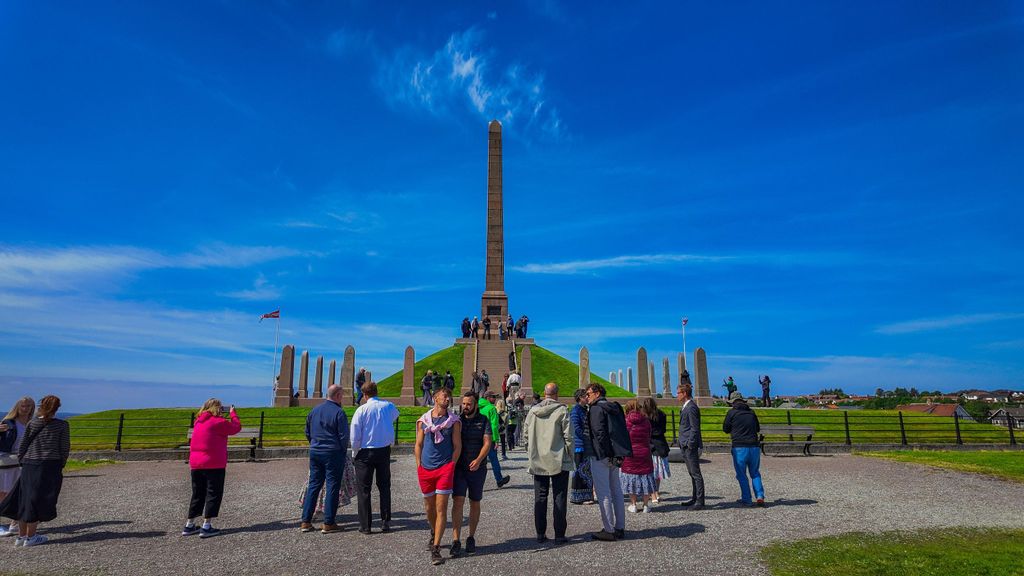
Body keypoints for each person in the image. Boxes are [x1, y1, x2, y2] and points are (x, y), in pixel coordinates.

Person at [0, 395, 70, 547]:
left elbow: (24, 444)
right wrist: (61, 464)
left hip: (29, 463)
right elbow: (64, 448)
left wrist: (22, 461)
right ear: (57, 408)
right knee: (39, 498)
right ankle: (31, 537)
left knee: (24, 497)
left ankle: (21, 536)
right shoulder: (62, 425)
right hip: (50, 464)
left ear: (40, 406)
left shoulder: (33, 423)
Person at [415, 388, 462, 565]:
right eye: (445, 396)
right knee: (429, 508)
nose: (448, 399)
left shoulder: (453, 421)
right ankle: (434, 531)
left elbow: (457, 446)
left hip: (444, 468)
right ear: (435, 398)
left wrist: (451, 465)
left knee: (441, 507)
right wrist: (418, 465)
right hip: (426, 469)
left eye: (449, 396)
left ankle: (436, 548)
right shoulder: (424, 420)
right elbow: (418, 444)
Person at [183, 398, 242, 538]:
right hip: (214, 464)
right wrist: (233, 414)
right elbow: (236, 427)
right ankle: (206, 526)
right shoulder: (218, 422)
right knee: (213, 493)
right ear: (217, 408)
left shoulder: (198, 421)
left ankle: (189, 524)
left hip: (196, 464)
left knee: (197, 493)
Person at [523, 383, 572, 544]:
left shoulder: (533, 411)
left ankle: (540, 533)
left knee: (540, 496)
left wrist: (530, 452)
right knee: (559, 496)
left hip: (538, 459)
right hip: (558, 458)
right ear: (556, 394)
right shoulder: (562, 410)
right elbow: (569, 437)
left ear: (545, 394)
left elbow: (525, 435)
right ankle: (559, 535)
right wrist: (569, 455)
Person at [350, 381, 400, 534]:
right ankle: (385, 522)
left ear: (364, 395)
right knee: (384, 487)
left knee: (364, 489)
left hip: (365, 452)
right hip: (384, 450)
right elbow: (395, 415)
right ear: (377, 392)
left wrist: (354, 451)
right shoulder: (388, 406)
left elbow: (355, 434)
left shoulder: (361, 410)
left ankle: (365, 526)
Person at [301, 385, 349, 534]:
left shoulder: (314, 410)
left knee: (314, 485)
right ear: (338, 395)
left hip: (315, 451)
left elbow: (307, 432)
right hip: (333, 452)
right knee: (332, 486)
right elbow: (343, 437)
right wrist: (342, 451)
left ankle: (306, 521)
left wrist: (315, 444)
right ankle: (328, 522)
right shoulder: (339, 412)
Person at [586, 383, 630, 541]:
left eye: (588, 393)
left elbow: (599, 433)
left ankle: (609, 529)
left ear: (597, 393)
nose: (587, 397)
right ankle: (620, 527)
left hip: (601, 455)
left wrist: (606, 453)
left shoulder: (596, 408)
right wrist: (615, 454)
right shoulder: (615, 407)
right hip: (616, 454)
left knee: (603, 492)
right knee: (616, 491)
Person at [449, 391, 491, 558]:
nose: (465, 407)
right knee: (458, 501)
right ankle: (455, 540)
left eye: (469, 404)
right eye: (464, 404)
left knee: (475, 502)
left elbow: (487, 442)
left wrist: (479, 459)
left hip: (477, 468)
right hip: (460, 468)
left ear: (475, 405)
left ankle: (471, 537)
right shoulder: (457, 420)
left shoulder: (484, 420)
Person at [0, 397, 35, 538]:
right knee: (3, 493)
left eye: (28, 406)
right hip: (6, 461)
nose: (25, 408)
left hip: (22, 462)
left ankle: (15, 523)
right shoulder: (8, 423)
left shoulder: (31, 423)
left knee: (19, 494)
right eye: (23, 406)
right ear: (17, 407)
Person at [723, 391, 765, 507]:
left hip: (739, 447)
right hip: (754, 447)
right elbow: (757, 428)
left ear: (733, 403)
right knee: (755, 473)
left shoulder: (731, 413)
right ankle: (760, 496)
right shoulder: (751, 412)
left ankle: (746, 498)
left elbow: (725, 429)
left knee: (741, 474)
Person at [620, 400, 655, 514]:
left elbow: (622, 437)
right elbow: (649, 435)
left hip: (630, 453)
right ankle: (645, 505)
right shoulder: (646, 421)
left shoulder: (625, 421)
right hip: (644, 452)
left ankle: (633, 504)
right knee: (646, 478)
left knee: (632, 479)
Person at [677, 375, 705, 510]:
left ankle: (700, 501)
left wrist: (690, 443)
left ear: (685, 394)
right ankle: (695, 498)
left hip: (689, 445)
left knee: (696, 473)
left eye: (678, 393)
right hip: (684, 443)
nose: (677, 396)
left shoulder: (691, 407)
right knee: (691, 473)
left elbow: (695, 427)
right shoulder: (685, 407)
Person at [479, 392, 511, 487]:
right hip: (489, 438)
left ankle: (475, 482)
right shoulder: (491, 408)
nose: (495, 399)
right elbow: (494, 425)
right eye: (493, 397)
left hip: (478, 437)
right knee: (494, 460)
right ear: (488, 398)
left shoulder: (477, 407)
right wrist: (496, 439)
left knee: (478, 460)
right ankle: (499, 479)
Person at [645, 397, 670, 504]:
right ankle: (656, 492)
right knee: (658, 473)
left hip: (649, 444)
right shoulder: (662, 414)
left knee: (650, 472)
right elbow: (663, 429)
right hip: (660, 443)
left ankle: (653, 493)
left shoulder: (645, 417)